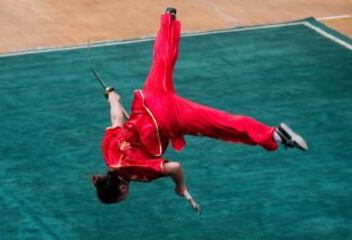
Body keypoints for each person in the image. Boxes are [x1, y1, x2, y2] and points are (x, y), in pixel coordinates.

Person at [92, 7, 308, 206]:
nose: (125, 196)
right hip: (149, 99)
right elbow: (117, 119)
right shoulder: (108, 152)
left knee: (220, 125)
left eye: (122, 198)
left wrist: (180, 186)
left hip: (168, 118)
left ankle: (275, 135)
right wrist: (113, 98)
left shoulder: (136, 173)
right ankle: (168, 19)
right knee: (162, 61)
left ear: (121, 189)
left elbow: (174, 167)